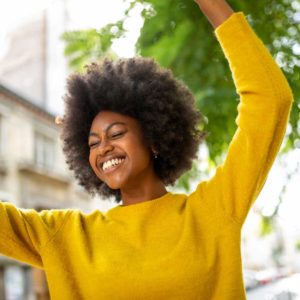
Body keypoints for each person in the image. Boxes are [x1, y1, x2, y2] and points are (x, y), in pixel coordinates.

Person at [0, 0, 293, 299]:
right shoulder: (67, 236)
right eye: (92, 143)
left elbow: (270, 101)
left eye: (116, 133)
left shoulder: (213, 211)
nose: (103, 148)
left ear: (154, 139)